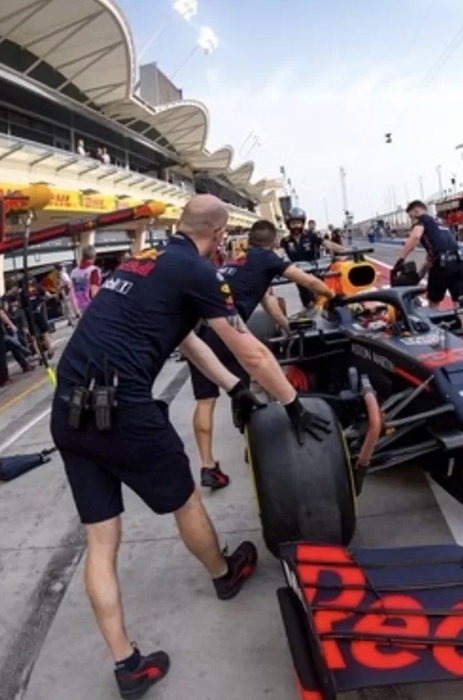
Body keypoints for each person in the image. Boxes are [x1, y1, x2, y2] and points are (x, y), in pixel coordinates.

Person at [49, 194, 333, 698]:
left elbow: (186, 339)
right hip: (125, 410)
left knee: (101, 540)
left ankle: (127, 664)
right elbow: (246, 344)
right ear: (220, 235)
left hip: (68, 410)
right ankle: (224, 573)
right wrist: (291, 403)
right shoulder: (197, 270)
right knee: (185, 501)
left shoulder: (144, 261)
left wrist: (234, 388)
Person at [188, 219, 335, 489]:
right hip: (228, 332)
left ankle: (208, 467)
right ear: (274, 242)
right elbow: (308, 280)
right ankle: (253, 447)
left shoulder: (236, 261)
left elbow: (267, 301)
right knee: (246, 394)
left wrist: (288, 327)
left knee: (205, 401)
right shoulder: (267, 258)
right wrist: (331, 295)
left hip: (199, 334)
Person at [394, 200, 463, 306]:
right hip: (459, 262)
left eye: (411, 217)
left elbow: (414, 238)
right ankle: (462, 322)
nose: (412, 221)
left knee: (434, 301)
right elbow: (431, 256)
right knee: (460, 302)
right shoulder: (440, 223)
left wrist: (400, 259)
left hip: (442, 265)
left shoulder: (422, 220)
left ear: (416, 211)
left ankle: (433, 320)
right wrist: (420, 276)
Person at [280, 207, 344, 309]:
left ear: (303, 223)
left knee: (323, 297)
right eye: (293, 223)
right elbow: (280, 254)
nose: (296, 226)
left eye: (298, 223)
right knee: (308, 304)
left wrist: (343, 250)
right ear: (288, 224)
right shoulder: (285, 241)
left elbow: (327, 244)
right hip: (299, 274)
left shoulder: (311, 235)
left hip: (316, 271)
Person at [70, 245, 101, 315]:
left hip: (79, 307)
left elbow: (72, 292)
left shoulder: (73, 272)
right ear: (94, 256)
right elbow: (94, 293)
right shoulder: (94, 271)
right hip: (92, 307)